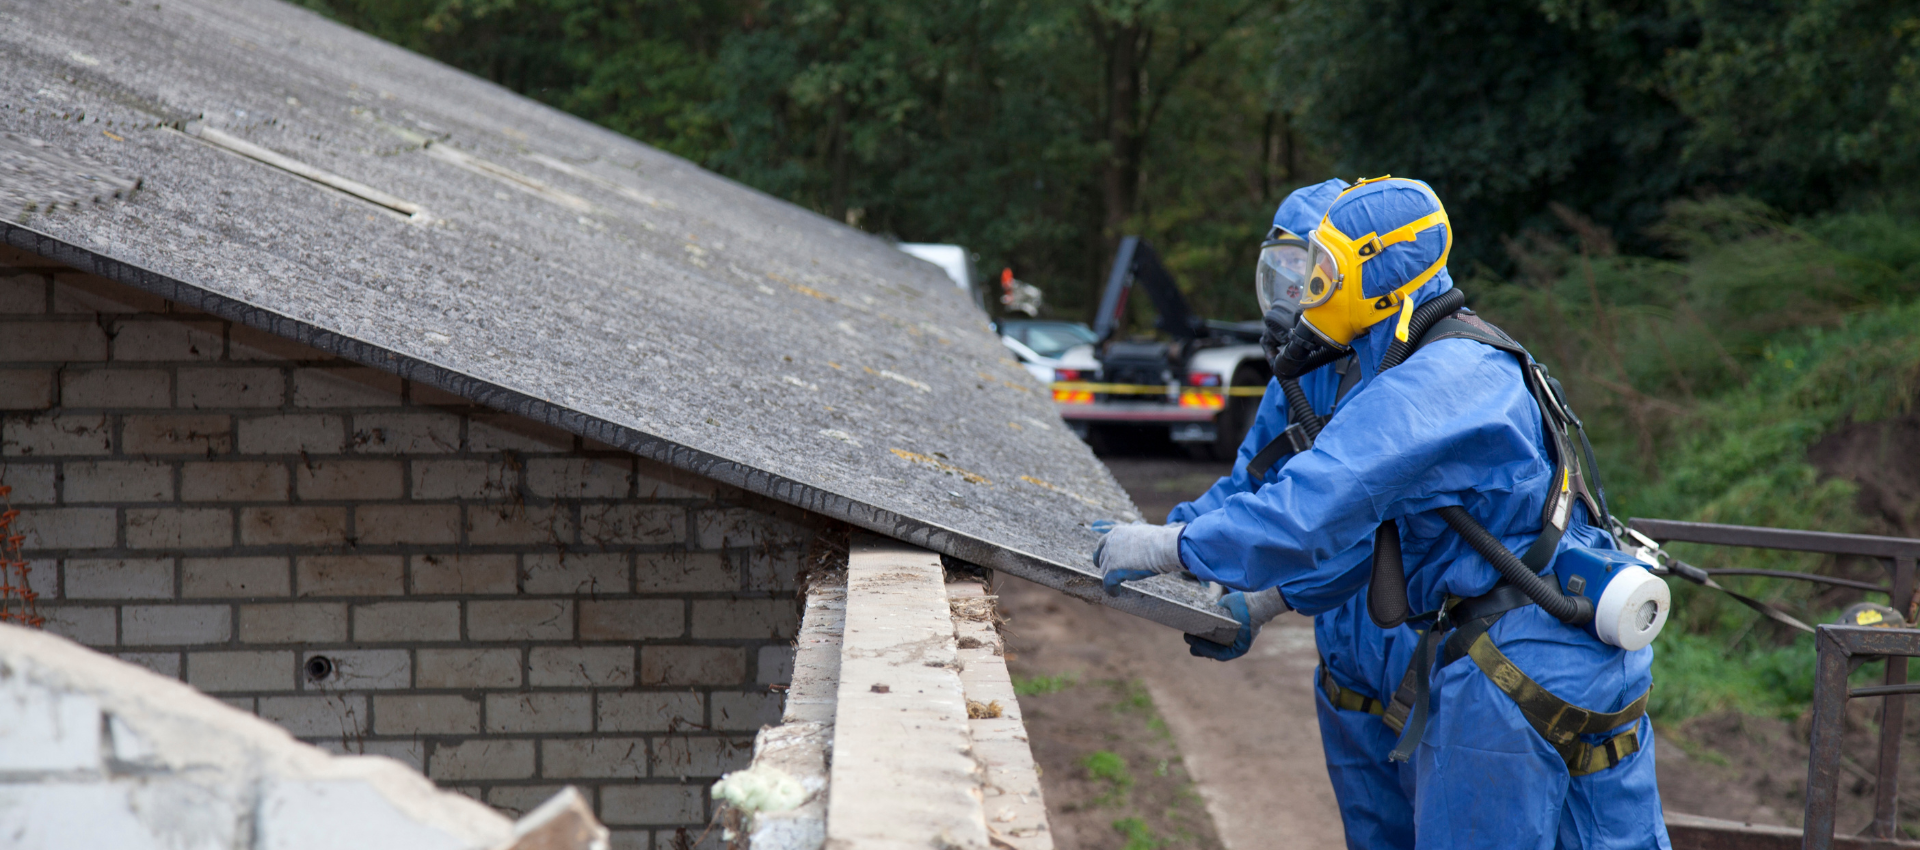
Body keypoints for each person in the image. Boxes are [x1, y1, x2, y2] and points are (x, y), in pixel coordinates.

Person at [1094, 177, 1668, 849]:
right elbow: (1354, 522)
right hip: (1594, 657)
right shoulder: (1466, 353)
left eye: (1324, 275)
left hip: (1503, 675)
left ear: (1376, 277)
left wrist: (1170, 549)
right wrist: (1247, 584)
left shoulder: (1421, 387)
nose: (1308, 296)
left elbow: (1307, 515)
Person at [1158, 178, 1421, 850]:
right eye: (1278, 277)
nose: (1289, 301)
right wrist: (1171, 537)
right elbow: (1253, 481)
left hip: (1425, 658)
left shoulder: (1413, 376)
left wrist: (1266, 599)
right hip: (1347, 670)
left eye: (1306, 280)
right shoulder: (1299, 378)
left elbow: (1374, 530)